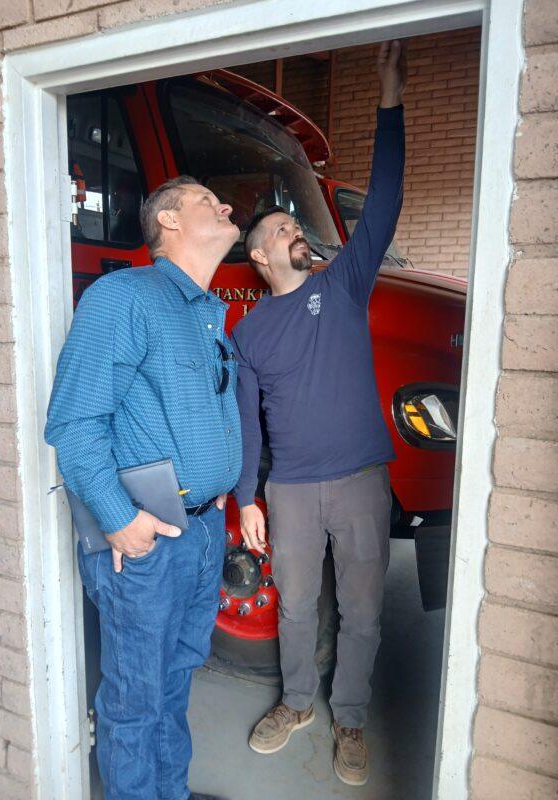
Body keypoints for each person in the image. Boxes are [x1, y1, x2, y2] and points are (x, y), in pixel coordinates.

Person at [231, 40, 407, 786]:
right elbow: (248, 423)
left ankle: (352, 718)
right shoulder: (247, 333)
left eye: (295, 227)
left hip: (361, 480)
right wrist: (247, 498)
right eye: (281, 230)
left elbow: (385, 203)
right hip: (293, 491)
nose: (294, 232)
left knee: (363, 613)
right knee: (297, 608)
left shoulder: (342, 285)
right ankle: (298, 703)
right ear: (260, 256)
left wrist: (391, 101)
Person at [45, 176, 241, 800]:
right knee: (135, 700)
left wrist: (223, 489)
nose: (225, 206)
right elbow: (74, 424)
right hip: (145, 539)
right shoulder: (124, 297)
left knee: (175, 684)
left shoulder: (207, 313)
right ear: (169, 222)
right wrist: (118, 519)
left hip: (203, 530)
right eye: (207, 200)